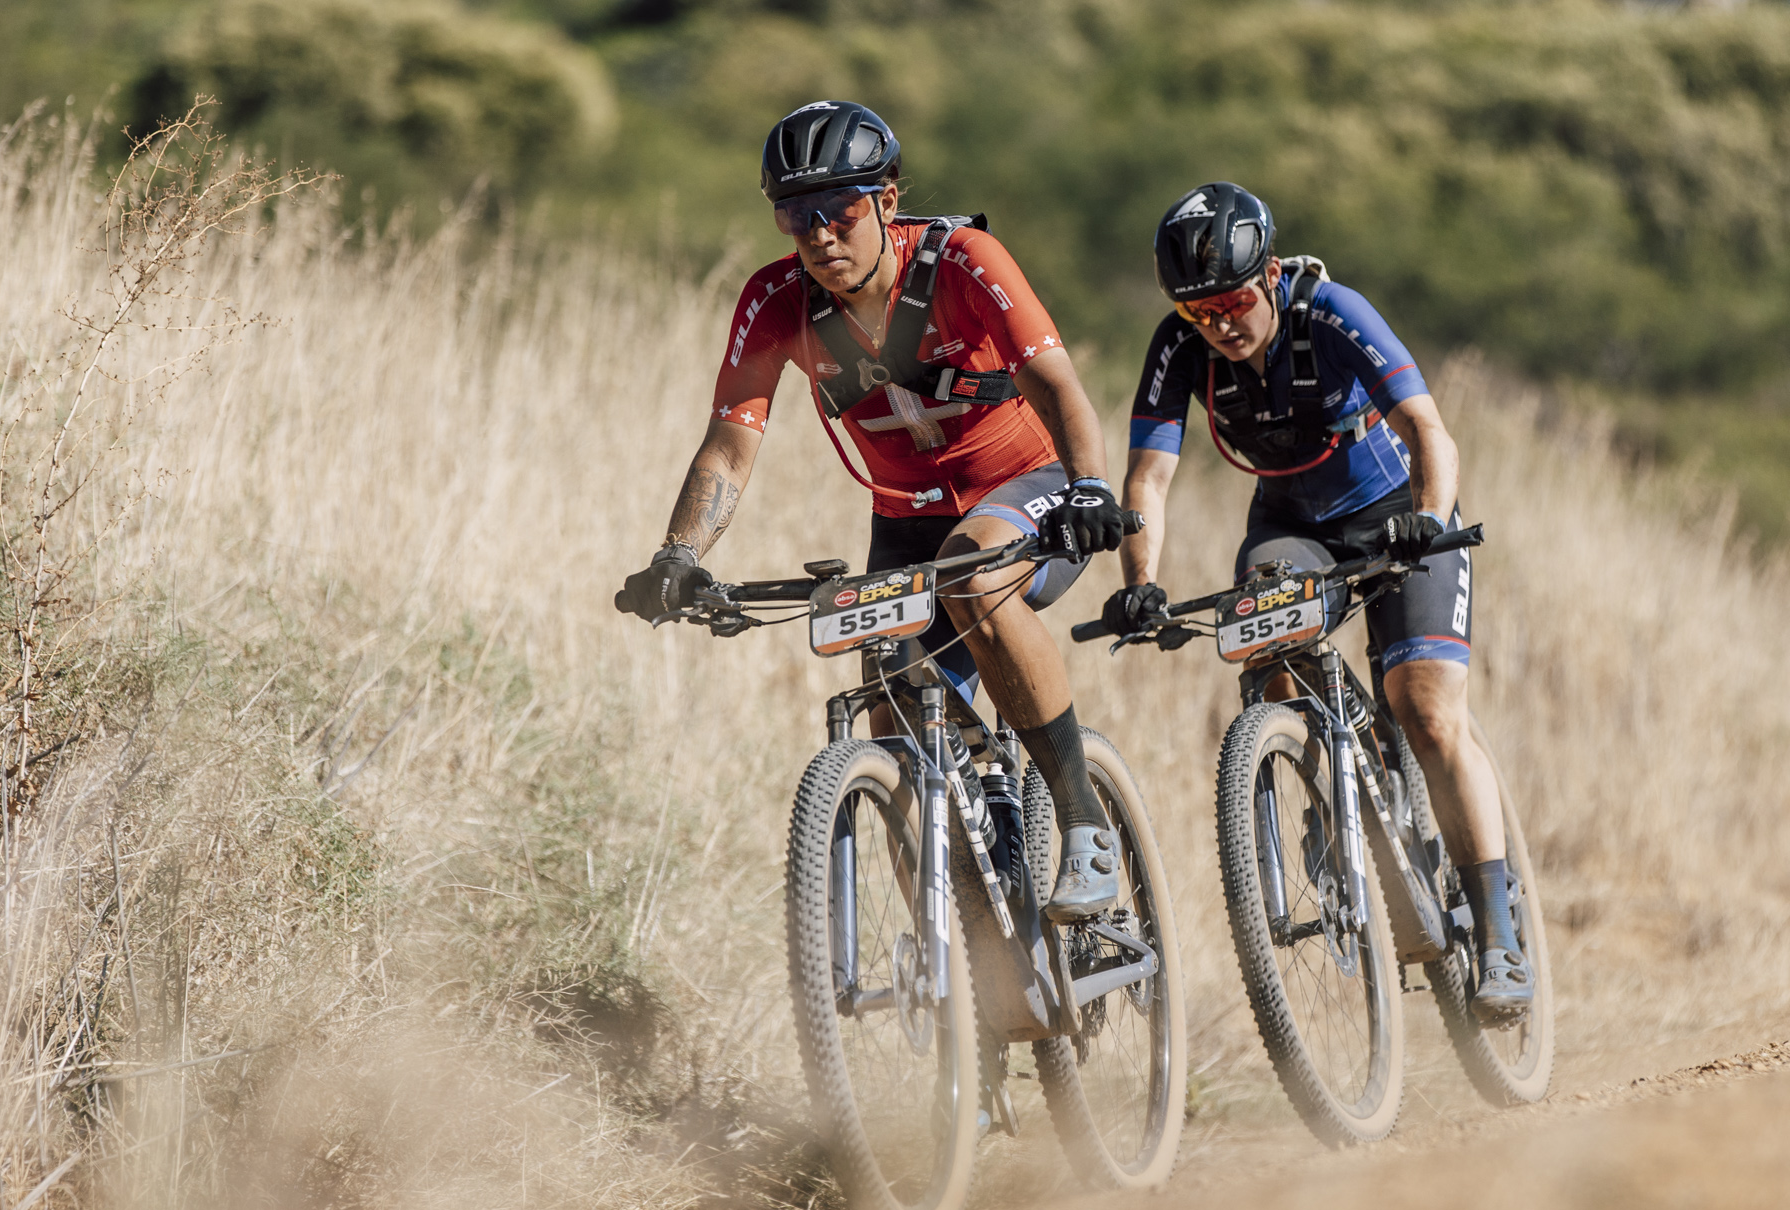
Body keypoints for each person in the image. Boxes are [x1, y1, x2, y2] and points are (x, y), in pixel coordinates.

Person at [614, 100, 1129, 921]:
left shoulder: (965, 260)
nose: (818, 233)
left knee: (969, 571)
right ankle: (984, 970)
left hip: (1030, 488)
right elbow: (729, 445)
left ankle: (1083, 823)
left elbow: (1060, 387)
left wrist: (1093, 487)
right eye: (794, 214)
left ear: (887, 201)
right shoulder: (774, 300)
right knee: (888, 702)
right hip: (907, 520)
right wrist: (678, 553)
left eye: (839, 210)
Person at [1105, 181, 1531, 1018]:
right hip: (1291, 524)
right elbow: (1149, 476)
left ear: (1267, 275)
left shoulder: (1331, 311)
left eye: (1231, 300)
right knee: (1262, 631)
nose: (1220, 323)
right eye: (1199, 312)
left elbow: (1426, 429)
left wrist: (1428, 520)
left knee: (1427, 709)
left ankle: (1499, 930)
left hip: (1393, 517)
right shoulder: (1179, 346)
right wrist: (1139, 585)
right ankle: (1319, 783)